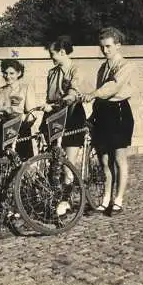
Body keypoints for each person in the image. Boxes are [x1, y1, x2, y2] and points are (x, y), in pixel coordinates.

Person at [79, 27, 134, 215]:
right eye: (102, 47)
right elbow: (100, 94)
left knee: (119, 158)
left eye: (109, 46)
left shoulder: (125, 66)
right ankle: (106, 199)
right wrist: (92, 116)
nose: (105, 50)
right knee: (104, 160)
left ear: (118, 46)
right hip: (103, 112)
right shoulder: (103, 67)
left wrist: (93, 94)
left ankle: (118, 200)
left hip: (119, 112)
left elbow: (113, 87)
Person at [40, 35, 87, 184]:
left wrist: (62, 101)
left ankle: (67, 200)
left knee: (68, 162)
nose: (50, 57)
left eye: (52, 53)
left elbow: (73, 93)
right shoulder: (51, 73)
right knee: (54, 160)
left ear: (61, 52)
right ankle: (55, 194)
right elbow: (50, 96)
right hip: (54, 114)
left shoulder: (76, 70)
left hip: (72, 114)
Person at [0, 59, 36, 160]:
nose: (8, 76)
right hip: (3, 129)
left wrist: (17, 116)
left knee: (21, 164)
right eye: (5, 73)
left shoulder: (26, 88)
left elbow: (31, 113)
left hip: (20, 129)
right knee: (2, 162)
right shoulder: (0, 90)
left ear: (19, 73)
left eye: (11, 73)